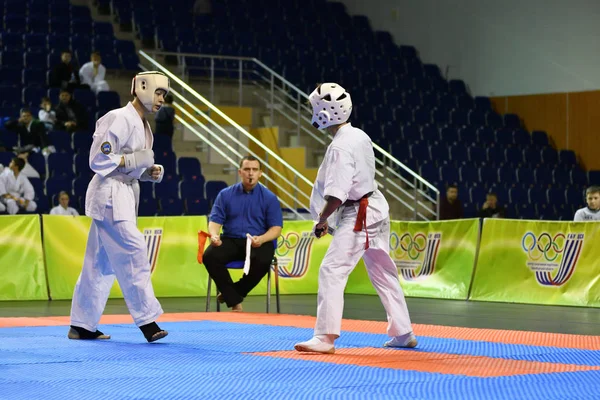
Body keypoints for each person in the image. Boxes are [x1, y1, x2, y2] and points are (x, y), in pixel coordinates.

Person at [294, 83, 416, 354]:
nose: (311, 111)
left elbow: (336, 195)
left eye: (314, 107)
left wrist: (323, 219)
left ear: (325, 113)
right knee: (383, 272)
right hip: (375, 209)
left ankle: (324, 337)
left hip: (358, 214)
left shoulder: (339, 147)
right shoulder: (359, 135)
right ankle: (403, 331)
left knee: (332, 269)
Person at [69, 71, 170, 342]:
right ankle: (147, 321)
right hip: (109, 193)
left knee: (99, 263)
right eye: (159, 92)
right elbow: (97, 160)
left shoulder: (144, 126)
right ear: (142, 88)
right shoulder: (118, 117)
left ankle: (81, 324)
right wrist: (132, 160)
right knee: (134, 250)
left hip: (124, 192)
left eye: (164, 95)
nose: (161, 99)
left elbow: (132, 166)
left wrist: (147, 172)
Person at [202, 155, 283, 312]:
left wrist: (262, 238)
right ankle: (235, 301)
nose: (250, 173)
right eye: (247, 169)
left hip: (257, 241)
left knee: (263, 259)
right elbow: (215, 221)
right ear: (240, 172)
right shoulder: (225, 195)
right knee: (210, 256)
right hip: (230, 239)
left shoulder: (269, 198)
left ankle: (232, 293)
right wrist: (214, 235)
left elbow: (276, 229)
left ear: (260, 173)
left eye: (254, 170)